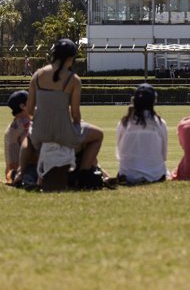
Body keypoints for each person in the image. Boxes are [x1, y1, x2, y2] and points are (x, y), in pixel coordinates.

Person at [21, 39, 105, 178]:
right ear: (71, 58)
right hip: (64, 134)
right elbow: (75, 114)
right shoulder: (73, 79)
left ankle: (20, 173)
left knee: (27, 138)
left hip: (40, 134)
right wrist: (78, 124)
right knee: (98, 135)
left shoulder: (37, 76)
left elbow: (29, 111)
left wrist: (44, 115)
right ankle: (83, 174)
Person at [115, 84, 169, 185]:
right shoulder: (160, 123)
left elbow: (119, 153)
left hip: (127, 175)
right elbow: (164, 155)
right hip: (155, 175)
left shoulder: (124, 123)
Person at [4, 90, 31, 183]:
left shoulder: (15, 124)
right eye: (30, 100)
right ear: (22, 106)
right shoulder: (26, 125)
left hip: (12, 172)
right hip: (24, 171)